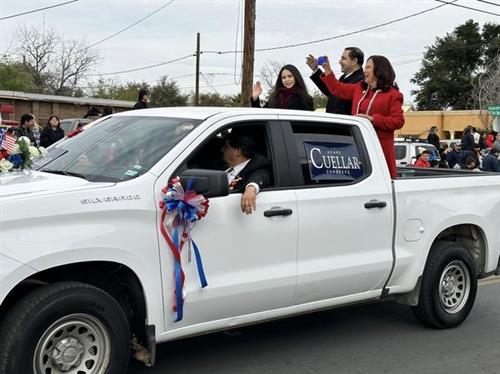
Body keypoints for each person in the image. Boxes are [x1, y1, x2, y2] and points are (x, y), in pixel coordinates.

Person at [319, 55, 404, 178]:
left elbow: (398, 121)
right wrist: (327, 70)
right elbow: (337, 89)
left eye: (368, 67)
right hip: (358, 146)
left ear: (379, 70)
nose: (364, 70)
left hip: (380, 147)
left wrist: (374, 119)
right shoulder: (359, 88)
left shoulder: (393, 95)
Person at [222, 133, 271, 215]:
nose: (222, 150)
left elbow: (261, 175)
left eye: (226, 147)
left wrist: (251, 188)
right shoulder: (223, 168)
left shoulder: (257, 167)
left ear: (237, 152)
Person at [306, 47, 364, 114]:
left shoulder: (361, 81)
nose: (339, 61)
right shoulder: (343, 77)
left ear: (354, 61)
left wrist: (327, 69)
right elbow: (331, 91)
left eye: (343, 58)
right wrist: (315, 69)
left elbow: (338, 92)